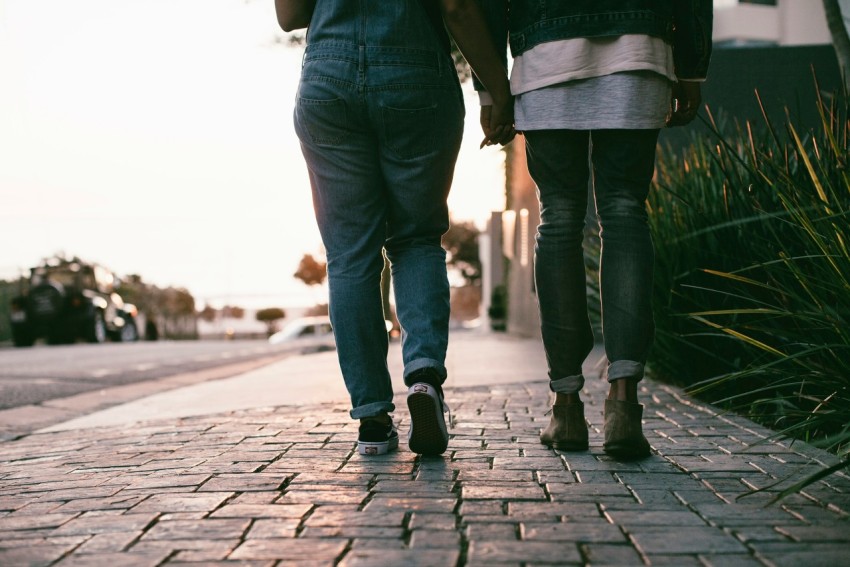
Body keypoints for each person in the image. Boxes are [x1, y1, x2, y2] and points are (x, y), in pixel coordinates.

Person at [274, 0, 514, 456]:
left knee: (348, 257)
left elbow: (288, 16)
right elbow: (457, 5)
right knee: (417, 239)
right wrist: (496, 89)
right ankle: (424, 378)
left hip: (328, 77)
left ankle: (371, 419)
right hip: (415, 72)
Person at [476, 1, 713, 459]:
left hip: (545, 58)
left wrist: (492, 90)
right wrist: (691, 66)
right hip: (638, 48)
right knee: (625, 213)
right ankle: (624, 405)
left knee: (559, 219)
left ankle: (565, 408)